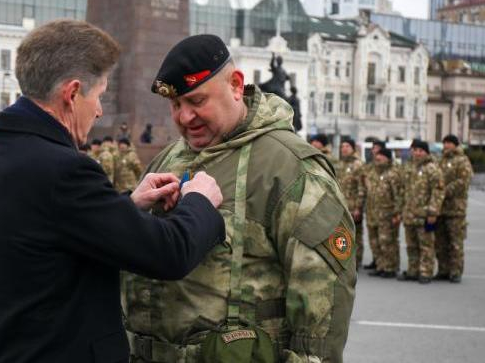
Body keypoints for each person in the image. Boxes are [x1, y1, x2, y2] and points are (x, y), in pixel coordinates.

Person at [0, 20, 226, 363]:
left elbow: (54, 228)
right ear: (72, 95)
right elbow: (168, 253)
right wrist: (200, 202)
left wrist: (127, 205)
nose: (100, 109)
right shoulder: (63, 170)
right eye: (99, 95)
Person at [124, 34, 356, 362]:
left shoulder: (289, 167)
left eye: (197, 101)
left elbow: (322, 298)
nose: (184, 118)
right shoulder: (168, 160)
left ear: (235, 85)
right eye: (176, 105)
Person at [398, 140, 444, 284]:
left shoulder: (432, 168)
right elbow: (402, 190)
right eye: (414, 150)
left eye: (420, 150)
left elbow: (438, 191)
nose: (417, 153)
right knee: (411, 245)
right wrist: (401, 209)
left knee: (426, 245)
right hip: (409, 214)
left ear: (426, 152)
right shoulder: (408, 167)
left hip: (424, 215)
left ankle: (425, 271)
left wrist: (433, 212)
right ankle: (413, 270)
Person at [436, 134, 473, 283]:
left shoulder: (462, 161)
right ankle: (443, 269)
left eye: (449, 143)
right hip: (440, 207)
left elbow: (463, 181)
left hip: (455, 209)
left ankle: (456, 271)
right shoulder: (441, 161)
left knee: (455, 242)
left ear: (455, 145)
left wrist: (444, 190)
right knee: (441, 242)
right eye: (444, 143)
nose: (446, 146)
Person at [364, 148, 403, 278]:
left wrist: (397, 213)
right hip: (372, 213)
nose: (378, 157)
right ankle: (381, 265)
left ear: (388, 158)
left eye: (382, 155)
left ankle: (390, 267)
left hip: (387, 214)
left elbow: (398, 195)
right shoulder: (372, 173)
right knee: (375, 242)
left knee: (387, 242)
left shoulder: (393, 174)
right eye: (377, 155)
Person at [338, 138, 366, 269]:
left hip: (353, 206)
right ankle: (344, 259)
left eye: (347, 146)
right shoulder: (341, 164)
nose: (344, 149)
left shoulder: (357, 164)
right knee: (342, 234)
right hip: (341, 206)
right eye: (342, 146)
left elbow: (361, 187)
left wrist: (358, 207)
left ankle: (356, 261)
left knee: (356, 235)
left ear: (353, 148)